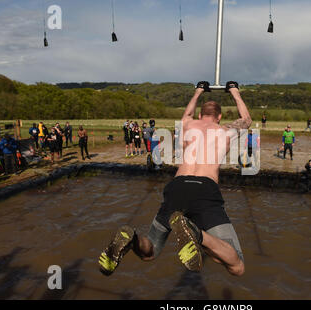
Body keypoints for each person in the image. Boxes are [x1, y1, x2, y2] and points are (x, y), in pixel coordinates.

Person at [98, 81, 249, 277]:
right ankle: (197, 234)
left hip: (177, 186)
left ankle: (132, 238)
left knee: (149, 251)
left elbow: (187, 114)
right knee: (237, 265)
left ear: (200, 115)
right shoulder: (225, 130)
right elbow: (246, 119)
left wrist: (198, 92)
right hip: (204, 188)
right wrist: (234, 91)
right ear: (219, 117)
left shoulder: (187, 124)